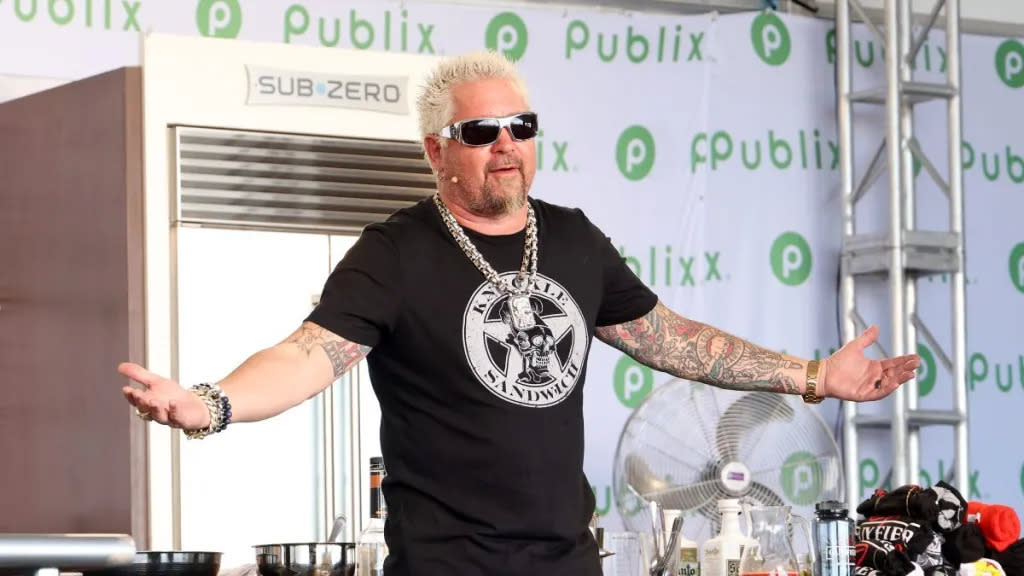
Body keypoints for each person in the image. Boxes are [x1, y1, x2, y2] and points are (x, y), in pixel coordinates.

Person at [119, 50, 921, 576]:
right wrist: (211, 404)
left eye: (521, 127)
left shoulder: (572, 239)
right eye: (480, 131)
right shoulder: (395, 251)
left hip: (568, 559)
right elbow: (308, 354)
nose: (506, 144)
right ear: (437, 150)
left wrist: (815, 376)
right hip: (446, 564)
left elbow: (670, 338)